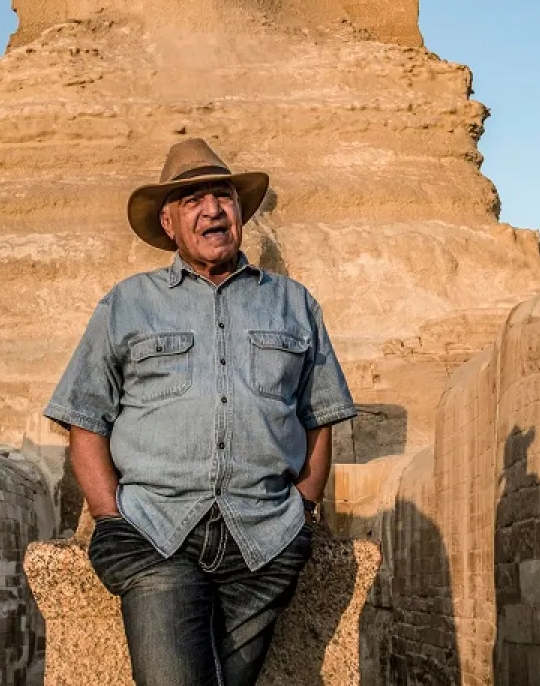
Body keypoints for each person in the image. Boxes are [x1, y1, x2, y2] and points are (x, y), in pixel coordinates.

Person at [44, 138, 357, 685]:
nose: (211, 209)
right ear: (169, 224)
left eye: (222, 195)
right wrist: (109, 518)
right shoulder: (127, 303)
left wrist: (303, 512)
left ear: (240, 211)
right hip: (156, 535)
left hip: (265, 540)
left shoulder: (295, 303)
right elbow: (84, 416)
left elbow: (318, 416)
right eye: (191, 200)